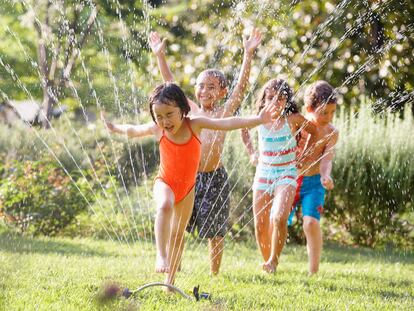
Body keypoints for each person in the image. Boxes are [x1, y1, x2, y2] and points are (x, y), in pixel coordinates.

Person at [102, 82, 278, 287]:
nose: (164, 121)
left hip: (187, 189)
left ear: (182, 110)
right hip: (164, 182)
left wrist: (258, 119)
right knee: (164, 205)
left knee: (178, 234)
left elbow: (227, 123)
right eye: (158, 116)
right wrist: (115, 128)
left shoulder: (194, 124)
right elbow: (133, 130)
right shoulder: (158, 129)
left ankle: (169, 282)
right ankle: (161, 255)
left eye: (169, 114)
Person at [149, 28, 261, 275]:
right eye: (200, 86)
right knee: (178, 228)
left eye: (212, 87)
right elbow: (170, 86)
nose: (204, 91)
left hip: (215, 176)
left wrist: (248, 54)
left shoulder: (223, 112)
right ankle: (172, 268)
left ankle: (214, 274)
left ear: (222, 92)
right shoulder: (189, 111)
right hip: (186, 178)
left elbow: (241, 87)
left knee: (216, 229)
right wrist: (160, 57)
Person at [241, 78, 317, 273]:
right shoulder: (259, 119)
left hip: (287, 173)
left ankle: (274, 260)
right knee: (260, 223)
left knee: (279, 217)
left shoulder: (293, 120)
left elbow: (314, 131)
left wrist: (305, 154)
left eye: (281, 98)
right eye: (270, 97)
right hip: (264, 173)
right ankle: (267, 263)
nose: (275, 102)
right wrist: (252, 152)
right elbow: (243, 128)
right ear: (264, 99)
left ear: (287, 101)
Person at [287, 80, 339, 275]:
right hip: (291, 180)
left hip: (314, 182)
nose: (329, 117)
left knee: (311, 223)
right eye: (324, 112)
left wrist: (326, 176)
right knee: (279, 220)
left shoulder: (332, 133)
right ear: (309, 108)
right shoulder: (299, 125)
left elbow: (327, 159)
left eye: (333, 112)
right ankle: (271, 261)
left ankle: (313, 271)